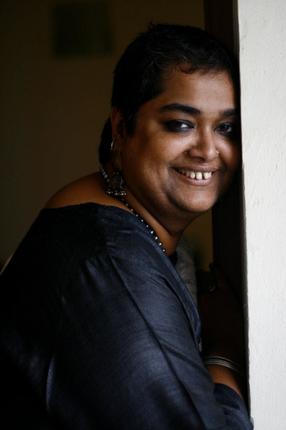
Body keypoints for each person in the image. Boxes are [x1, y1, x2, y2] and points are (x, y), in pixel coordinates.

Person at [0, 23, 253, 429]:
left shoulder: (123, 230)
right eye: (181, 124)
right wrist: (223, 353)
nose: (209, 150)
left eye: (226, 128)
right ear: (121, 128)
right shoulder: (107, 265)